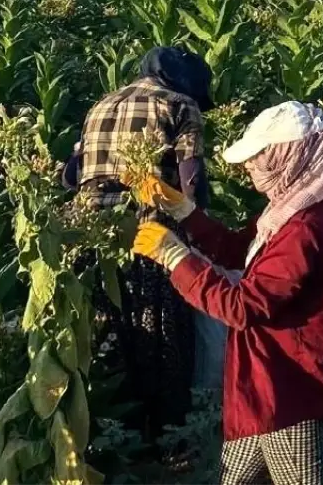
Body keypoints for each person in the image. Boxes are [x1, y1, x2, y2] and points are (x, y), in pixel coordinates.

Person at [132, 101, 323, 485]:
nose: (252, 169)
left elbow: (242, 306)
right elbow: (243, 251)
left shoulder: (306, 227)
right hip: (262, 387)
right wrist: (185, 211)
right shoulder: (291, 210)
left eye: (261, 158)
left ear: (292, 157)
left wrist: (175, 258)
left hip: (289, 392)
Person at [62, 45, 215, 439]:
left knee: (108, 334)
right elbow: (191, 179)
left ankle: (117, 432)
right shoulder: (181, 106)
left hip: (92, 236)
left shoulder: (101, 105)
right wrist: (201, 226)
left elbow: (71, 176)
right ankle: (167, 439)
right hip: (151, 236)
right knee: (164, 338)